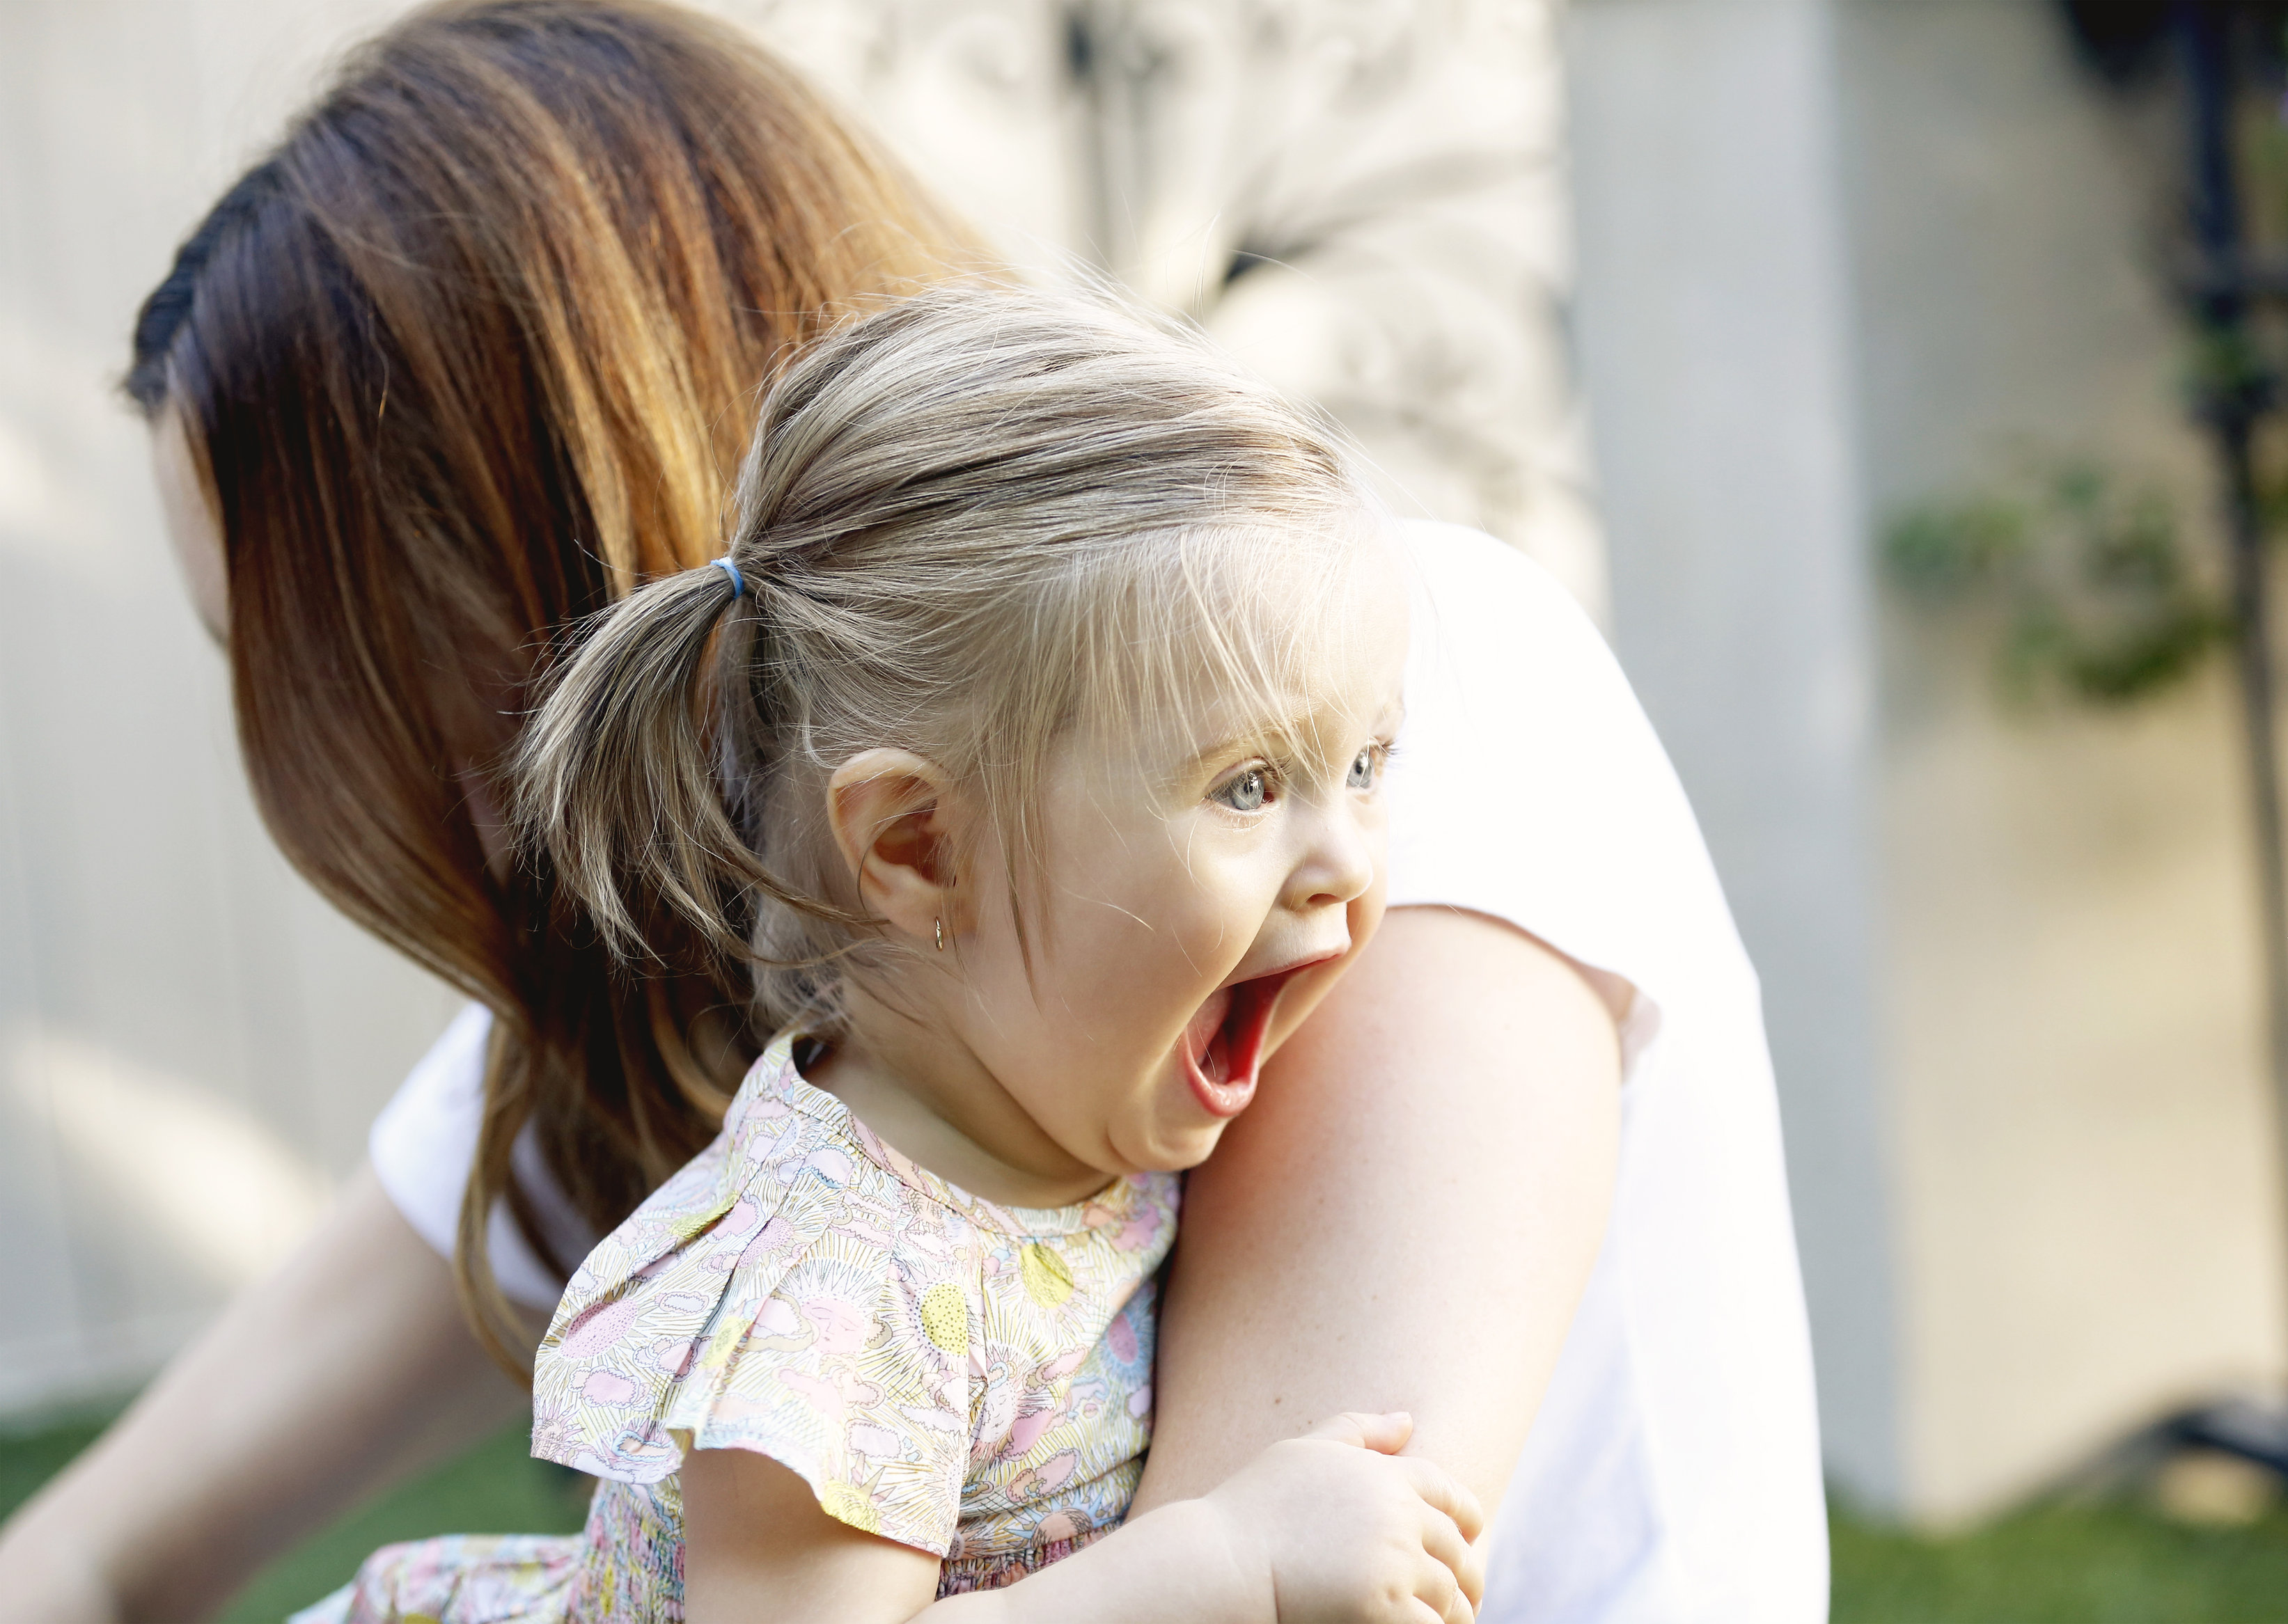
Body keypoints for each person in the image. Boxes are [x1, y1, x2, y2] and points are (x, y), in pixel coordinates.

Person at [0, 3, 1826, 1621]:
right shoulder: (798, 1003)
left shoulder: (1378, 708)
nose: (389, 786)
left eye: (344, 673)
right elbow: (80, 1556)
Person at [298, 283, 1482, 1624]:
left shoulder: (1058, 1104)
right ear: (921, 846)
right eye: (1250, 785)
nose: (1348, 861)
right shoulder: (846, 1283)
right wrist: (1227, 1561)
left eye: (1365, 762)